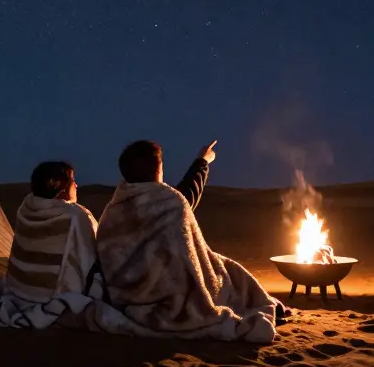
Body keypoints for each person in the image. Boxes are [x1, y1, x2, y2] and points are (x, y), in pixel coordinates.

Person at [93, 139, 285, 343]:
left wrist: (202, 162)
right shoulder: (172, 202)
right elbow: (186, 200)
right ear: (158, 169)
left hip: (127, 297)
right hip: (170, 295)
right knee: (226, 275)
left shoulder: (113, 210)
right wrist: (202, 162)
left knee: (227, 268)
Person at [0, 160, 103, 329]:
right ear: (58, 185)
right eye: (73, 181)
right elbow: (90, 257)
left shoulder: (26, 208)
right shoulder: (75, 217)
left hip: (20, 289)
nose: (77, 186)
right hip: (51, 295)